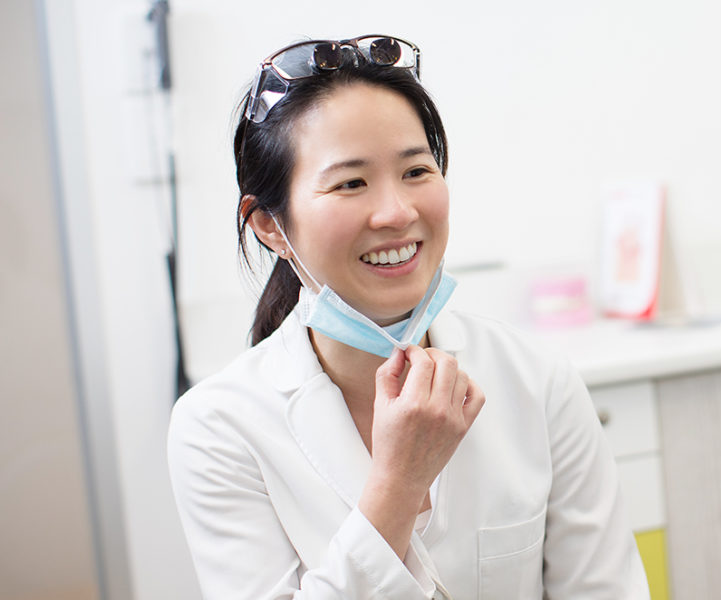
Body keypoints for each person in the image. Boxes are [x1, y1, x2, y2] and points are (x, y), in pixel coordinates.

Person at [167, 35, 648, 599]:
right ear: (270, 225)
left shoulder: (537, 379)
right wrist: (398, 485)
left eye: (417, 171)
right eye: (351, 182)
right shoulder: (218, 427)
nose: (397, 212)